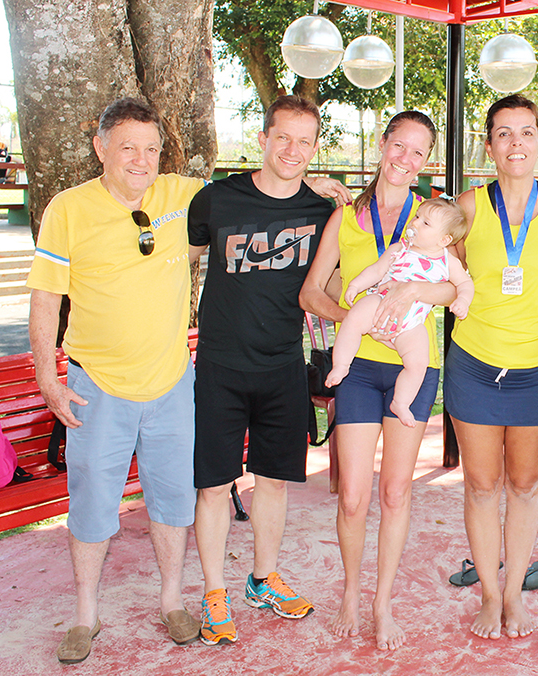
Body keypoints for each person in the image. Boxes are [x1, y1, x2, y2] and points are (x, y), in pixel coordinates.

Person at [26, 98, 206, 663]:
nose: (141, 159)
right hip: (96, 385)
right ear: (101, 148)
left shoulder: (182, 194)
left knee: (174, 501)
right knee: (92, 504)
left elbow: (258, 192)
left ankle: (173, 601)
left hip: (172, 382)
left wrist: (315, 184)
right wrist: (47, 379)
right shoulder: (69, 208)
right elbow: (45, 297)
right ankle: (86, 614)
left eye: (151, 148)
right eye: (128, 146)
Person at [299, 110, 456, 650]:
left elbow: (454, 289)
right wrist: (360, 317)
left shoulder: (432, 217)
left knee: (395, 493)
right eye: (398, 145)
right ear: (382, 145)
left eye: (418, 151)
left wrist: (409, 297)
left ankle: (381, 602)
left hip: (414, 365)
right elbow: (312, 291)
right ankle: (349, 591)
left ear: (426, 160)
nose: (405, 159)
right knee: (352, 498)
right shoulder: (347, 216)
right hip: (360, 366)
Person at [188, 96, 334, 646]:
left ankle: (262, 579)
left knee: (274, 481)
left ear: (315, 148)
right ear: (263, 138)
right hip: (220, 367)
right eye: (283, 138)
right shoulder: (218, 199)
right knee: (213, 486)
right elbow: (180, 255)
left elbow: (329, 281)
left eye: (305, 141)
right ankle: (213, 592)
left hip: (282, 367)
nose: (292, 150)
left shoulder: (322, 214)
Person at [446, 94, 538, 640]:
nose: (516, 143)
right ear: (489, 145)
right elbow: (438, 263)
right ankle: (488, 596)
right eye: (504, 133)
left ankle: (516, 595)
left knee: (525, 486)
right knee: (482, 486)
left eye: (526, 132)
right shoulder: (469, 207)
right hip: (475, 364)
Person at [326, 197, 474, 427]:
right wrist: (355, 285)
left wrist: (463, 301)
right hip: (380, 302)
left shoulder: (448, 261)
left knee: (418, 363)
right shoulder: (400, 249)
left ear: (444, 239)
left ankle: (401, 402)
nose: (415, 224)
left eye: (426, 223)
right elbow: (376, 270)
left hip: (412, 323)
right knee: (354, 319)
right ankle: (341, 365)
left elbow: (465, 284)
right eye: (417, 217)